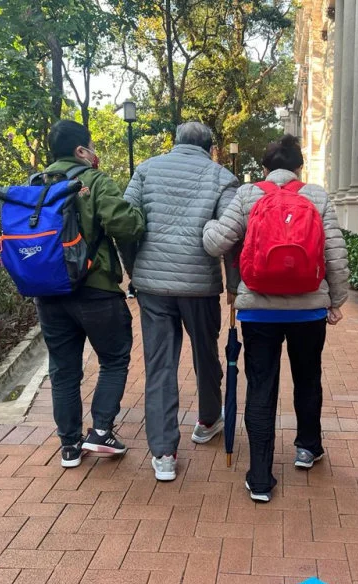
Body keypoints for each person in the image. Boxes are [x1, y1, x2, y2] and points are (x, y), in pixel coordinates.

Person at [202, 134, 349, 502]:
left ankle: (260, 477)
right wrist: (337, 299)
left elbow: (216, 241)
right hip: (309, 308)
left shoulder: (250, 195)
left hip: (259, 310)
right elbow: (335, 250)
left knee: (261, 386)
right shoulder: (315, 196)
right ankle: (307, 448)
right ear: (299, 168)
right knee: (307, 378)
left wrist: (207, 226)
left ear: (264, 168)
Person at [122, 121, 240, 481]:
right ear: (211, 147)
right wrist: (233, 285)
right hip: (200, 285)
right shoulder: (222, 178)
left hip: (153, 286)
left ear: (173, 143)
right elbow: (232, 235)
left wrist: (134, 271)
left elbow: (126, 224)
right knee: (206, 354)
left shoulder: (145, 170)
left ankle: (164, 454)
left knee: (160, 365)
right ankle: (207, 420)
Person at [37, 120, 145, 468]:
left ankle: (69, 446)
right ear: (81, 151)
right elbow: (125, 226)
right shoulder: (93, 180)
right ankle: (100, 430)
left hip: (49, 293)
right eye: (91, 146)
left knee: (63, 371)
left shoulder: (35, 185)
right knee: (114, 358)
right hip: (94, 287)